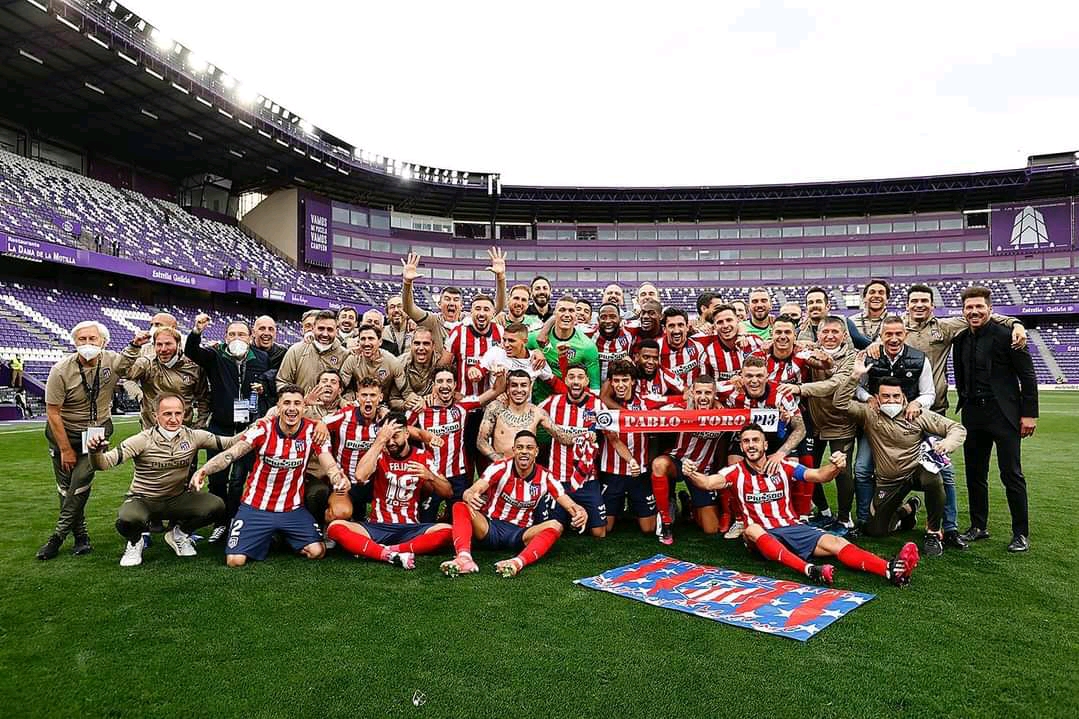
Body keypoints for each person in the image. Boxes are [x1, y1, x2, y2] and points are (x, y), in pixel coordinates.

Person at [684, 424, 919, 586]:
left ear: (765, 445)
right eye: (746, 442)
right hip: (762, 537)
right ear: (742, 447)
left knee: (837, 542)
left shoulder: (783, 466)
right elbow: (707, 482)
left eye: (756, 440)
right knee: (751, 528)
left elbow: (819, 475)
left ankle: (890, 570)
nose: (751, 445)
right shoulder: (735, 472)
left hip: (792, 528)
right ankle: (809, 570)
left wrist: (836, 466)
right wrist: (692, 474)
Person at [884, 284, 1024, 548]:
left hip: (933, 410)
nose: (919, 305)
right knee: (878, 467)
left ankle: (948, 528)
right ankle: (881, 515)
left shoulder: (946, 327)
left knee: (944, 471)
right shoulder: (896, 328)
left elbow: (983, 315)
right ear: (907, 305)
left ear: (932, 305)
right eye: (914, 301)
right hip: (896, 414)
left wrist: (1016, 324)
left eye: (924, 301)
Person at [190, 385, 349, 567]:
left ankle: (279, 535)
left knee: (317, 551)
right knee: (235, 561)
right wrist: (204, 470)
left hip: (292, 509)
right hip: (256, 507)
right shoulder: (263, 428)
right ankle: (266, 535)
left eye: (297, 403)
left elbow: (328, 462)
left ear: (304, 407)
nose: (292, 408)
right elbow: (232, 454)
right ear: (278, 407)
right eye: (286, 403)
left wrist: (337, 477)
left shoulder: (314, 431)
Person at [835, 358, 967, 557]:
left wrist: (947, 444)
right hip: (889, 480)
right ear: (876, 398)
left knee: (934, 476)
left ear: (903, 397)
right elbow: (839, 402)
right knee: (876, 531)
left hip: (916, 472)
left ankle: (933, 533)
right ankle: (908, 510)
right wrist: (854, 376)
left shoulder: (917, 414)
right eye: (885, 396)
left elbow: (956, 428)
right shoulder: (869, 414)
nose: (891, 400)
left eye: (896, 396)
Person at [87, 394, 233, 566]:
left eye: (178, 413)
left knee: (217, 506)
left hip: (177, 499)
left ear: (185, 414)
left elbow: (230, 442)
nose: (173, 419)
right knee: (127, 520)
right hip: (144, 500)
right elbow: (103, 464)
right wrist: (95, 452)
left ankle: (179, 534)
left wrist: (259, 426)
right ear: (156, 416)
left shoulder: (193, 436)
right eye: (167, 414)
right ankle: (135, 542)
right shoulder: (142, 440)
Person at [37, 321, 134, 560]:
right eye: (82, 339)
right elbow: (53, 413)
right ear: (74, 342)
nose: (88, 344)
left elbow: (135, 365)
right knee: (65, 488)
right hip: (64, 433)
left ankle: (57, 537)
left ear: (104, 342)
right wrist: (65, 449)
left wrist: (137, 343)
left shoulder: (112, 360)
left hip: (97, 432)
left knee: (79, 481)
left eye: (93, 339)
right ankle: (81, 537)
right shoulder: (61, 370)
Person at [953, 286, 1039, 553]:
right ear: (963, 311)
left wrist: (1029, 414)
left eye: (979, 307)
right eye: (969, 307)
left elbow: (1027, 376)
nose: (974, 311)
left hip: (1004, 415)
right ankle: (979, 526)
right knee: (974, 474)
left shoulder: (1009, 336)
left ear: (990, 309)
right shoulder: (960, 339)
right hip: (973, 414)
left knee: (1011, 474)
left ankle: (1020, 534)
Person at [440, 430, 588, 577]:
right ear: (514, 450)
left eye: (529, 448)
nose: (524, 451)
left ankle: (517, 562)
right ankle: (464, 558)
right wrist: (470, 495)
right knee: (460, 506)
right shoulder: (500, 467)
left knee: (556, 525)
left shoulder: (546, 477)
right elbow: (471, 491)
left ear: (536, 452)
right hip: (490, 527)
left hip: (520, 534)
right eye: (520, 447)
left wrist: (580, 512)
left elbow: (570, 504)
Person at [184, 314, 271, 541]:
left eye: (241, 334)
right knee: (218, 477)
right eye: (232, 334)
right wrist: (196, 331)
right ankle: (220, 521)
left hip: (249, 427)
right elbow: (192, 352)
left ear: (250, 337)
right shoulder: (215, 355)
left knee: (241, 478)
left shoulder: (261, 358)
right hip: (220, 425)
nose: (236, 338)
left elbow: (272, 383)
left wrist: (264, 388)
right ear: (225, 337)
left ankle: (236, 518)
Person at [325, 416, 453, 570]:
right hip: (377, 526)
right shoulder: (379, 454)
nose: (390, 441)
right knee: (335, 527)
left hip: (410, 528)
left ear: (407, 434)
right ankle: (389, 555)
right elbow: (360, 476)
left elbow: (448, 492)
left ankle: (391, 551)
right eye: (387, 436)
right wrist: (380, 441)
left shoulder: (422, 457)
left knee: (448, 531)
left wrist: (430, 476)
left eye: (395, 436)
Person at [852, 315, 935, 534]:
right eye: (888, 334)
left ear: (905, 334)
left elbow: (929, 393)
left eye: (898, 333)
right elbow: (858, 388)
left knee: (941, 472)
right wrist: (866, 398)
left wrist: (916, 403)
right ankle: (863, 519)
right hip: (876, 425)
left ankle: (945, 527)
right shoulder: (869, 357)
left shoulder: (919, 358)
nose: (894, 338)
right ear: (881, 336)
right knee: (862, 469)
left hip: (907, 426)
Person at [779, 316, 857, 533]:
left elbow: (834, 384)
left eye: (835, 332)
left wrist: (800, 389)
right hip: (814, 422)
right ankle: (823, 512)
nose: (830, 336)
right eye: (825, 332)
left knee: (842, 470)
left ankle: (845, 519)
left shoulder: (852, 357)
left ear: (844, 335)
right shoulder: (808, 352)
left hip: (841, 422)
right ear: (818, 334)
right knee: (809, 468)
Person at [409, 366, 507, 521]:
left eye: (449, 381)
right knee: (425, 524)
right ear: (433, 385)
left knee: (460, 521)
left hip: (458, 476)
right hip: (431, 476)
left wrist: (500, 375)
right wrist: (423, 435)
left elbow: (497, 390)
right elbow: (400, 428)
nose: (444, 385)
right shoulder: (420, 409)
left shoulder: (463, 406)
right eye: (440, 381)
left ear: (455, 385)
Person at [650, 375, 729, 545]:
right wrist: (679, 397)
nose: (702, 397)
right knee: (659, 464)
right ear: (692, 392)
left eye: (707, 393)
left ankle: (688, 503)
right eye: (698, 392)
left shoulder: (723, 414)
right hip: (677, 462)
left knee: (711, 528)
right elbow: (650, 407)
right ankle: (666, 522)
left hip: (701, 471)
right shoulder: (679, 409)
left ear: (715, 394)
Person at [537, 364, 607, 537]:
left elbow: (610, 434)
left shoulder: (597, 405)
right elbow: (531, 412)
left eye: (580, 377)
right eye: (572, 377)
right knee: (555, 530)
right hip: (559, 480)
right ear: (566, 380)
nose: (576, 381)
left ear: (587, 380)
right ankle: (572, 516)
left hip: (587, 480)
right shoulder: (553, 402)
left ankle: (579, 514)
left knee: (600, 533)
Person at [401, 249, 506, 353]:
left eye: (456, 300)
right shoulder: (432, 321)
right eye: (447, 299)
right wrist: (407, 283)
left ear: (461, 306)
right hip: (440, 368)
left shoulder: (469, 320)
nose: (451, 303)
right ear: (439, 304)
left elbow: (497, 307)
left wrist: (500, 277)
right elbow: (409, 309)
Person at [596, 360, 656, 535]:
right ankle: (619, 503)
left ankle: (644, 504)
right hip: (612, 472)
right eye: (616, 381)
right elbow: (613, 440)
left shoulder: (646, 402)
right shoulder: (603, 407)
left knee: (648, 528)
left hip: (640, 473)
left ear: (633, 381)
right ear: (611, 383)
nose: (620, 385)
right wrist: (631, 461)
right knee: (605, 528)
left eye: (625, 380)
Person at [476, 370, 579, 460]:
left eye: (524, 385)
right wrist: (499, 461)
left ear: (530, 386)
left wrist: (585, 436)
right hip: (502, 471)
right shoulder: (495, 407)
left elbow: (562, 437)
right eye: (514, 385)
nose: (519, 390)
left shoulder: (538, 413)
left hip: (527, 471)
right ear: (508, 387)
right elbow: (481, 441)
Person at [122, 327, 210, 430]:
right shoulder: (147, 364)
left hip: (182, 432)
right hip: (152, 431)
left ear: (178, 344)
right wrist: (134, 346)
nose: (163, 349)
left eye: (168, 344)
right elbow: (124, 373)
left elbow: (203, 398)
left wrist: (200, 424)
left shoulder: (194, 367)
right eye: (159, 344)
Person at [528, 295, 601, 403]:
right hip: (540, 400)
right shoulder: (534, 338)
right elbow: (515, 354)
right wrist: (534, 351)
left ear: (576, 316)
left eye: (571, 311)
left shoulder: (587, 346)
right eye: (562, 310)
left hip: (571, 403)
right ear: (554, 314)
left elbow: (595, 386)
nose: (567, 314)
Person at [441, 294, 503, 397]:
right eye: (477, 309)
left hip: (491, 399)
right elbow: (443, 367)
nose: (481, 313)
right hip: (463, 399)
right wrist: (453, 392)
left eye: (486, 309)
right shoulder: (458, 332)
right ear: (471, 312)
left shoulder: (500, 332)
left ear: (493, 313)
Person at [277, 310, 350, 393]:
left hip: (332, 406)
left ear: (336, 331)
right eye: (321, 328)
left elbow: (348, 388)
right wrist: (297, 400)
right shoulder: (296, 350)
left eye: (330, 329)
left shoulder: (345, 355)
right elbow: (282, 381)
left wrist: (341, 401)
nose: (325, 334)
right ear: (313, 328)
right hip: (302, 404)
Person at [342, 323, 404, 400]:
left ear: (380, 341)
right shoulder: (352, 359)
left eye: (371, 338)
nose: (366, 343)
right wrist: (342, 401)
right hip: (359, 402)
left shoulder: (392, 362)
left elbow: (405, 391)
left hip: (383, 404)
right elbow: (340, 386)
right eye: (363, 339)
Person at [657, 307, 710, 385]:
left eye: (680, 325)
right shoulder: (656, 348)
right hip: (667, 396)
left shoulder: (698, 346)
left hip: (692, 395)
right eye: (671, 326)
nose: (676, 330)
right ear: (664, 329)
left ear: (687, 327)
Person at [848, 279, 890, 348]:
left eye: (881, 293)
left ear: (887, 299)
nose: (876, 296)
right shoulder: (851, 322)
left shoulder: (896, 321)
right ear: (864, 298)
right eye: (872, 292)